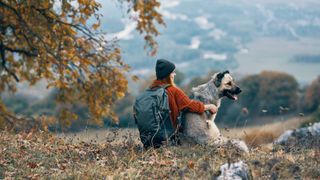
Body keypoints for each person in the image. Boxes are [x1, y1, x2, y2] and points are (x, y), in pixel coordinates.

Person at [150, 59, 218, 134]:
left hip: (149, 138)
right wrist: (209, 107)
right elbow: (190, 105)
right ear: (168, 75)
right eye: (172, 72)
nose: (174, 74)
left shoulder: (151, 90)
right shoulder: (173, 90)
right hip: (168, 136)